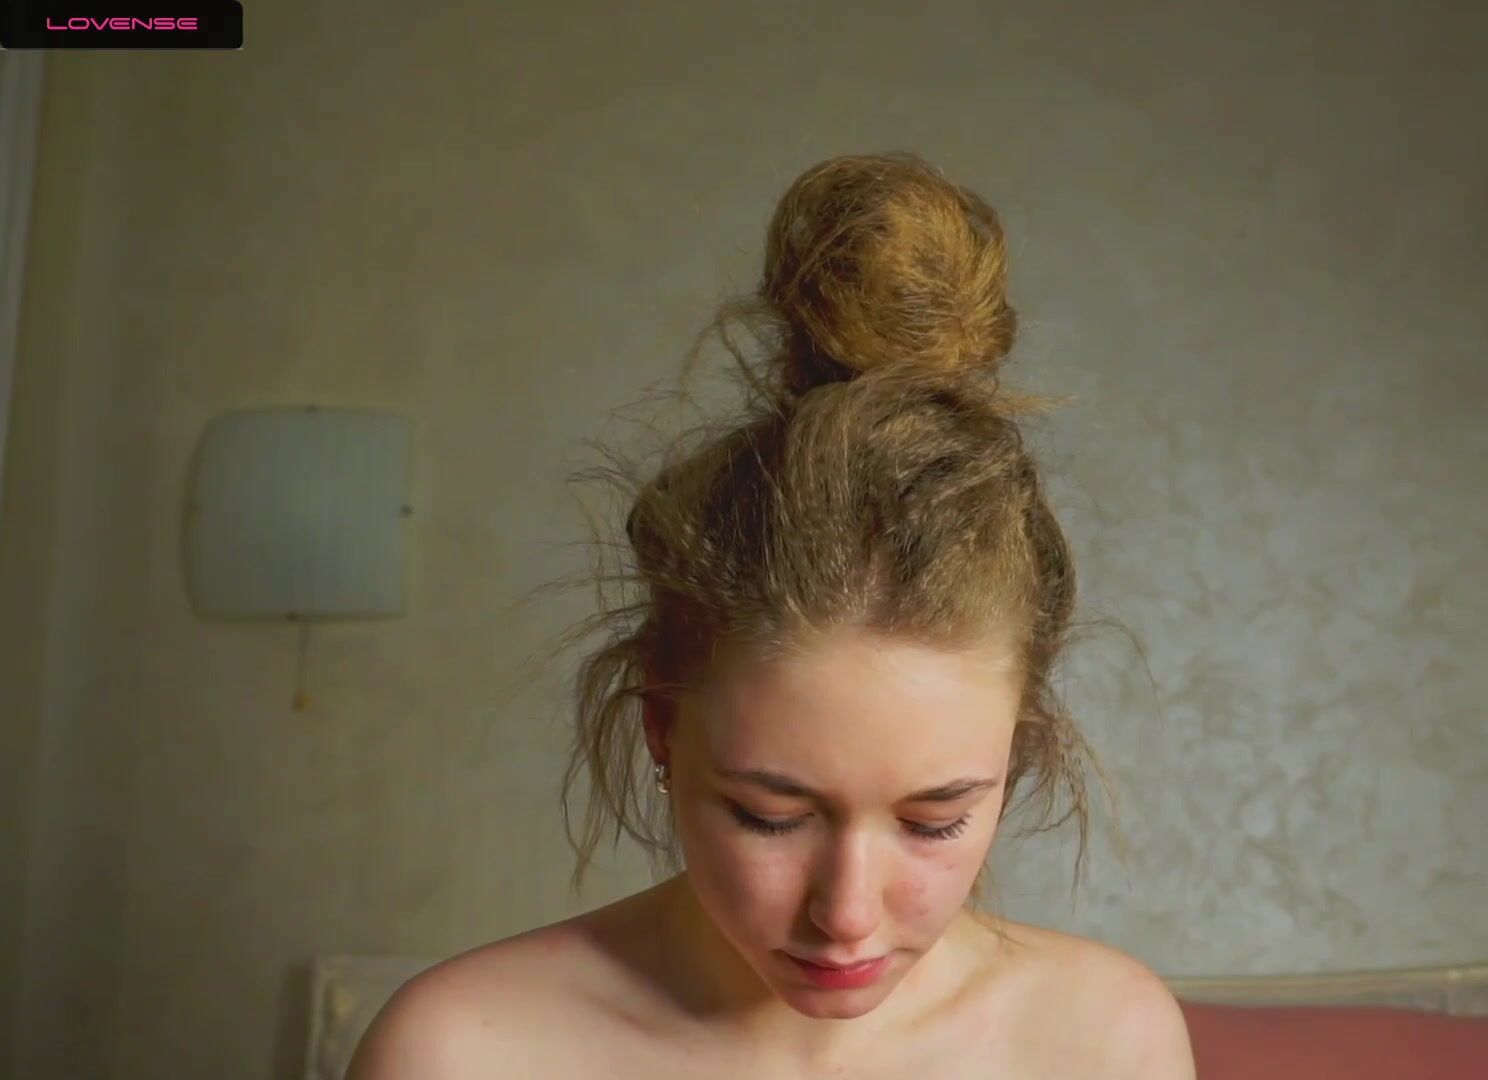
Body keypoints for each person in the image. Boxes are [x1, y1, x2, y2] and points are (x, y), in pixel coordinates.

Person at [346, 152, 1196, 1079]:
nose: (846, 915)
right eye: (768, 817)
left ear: (1017, 756)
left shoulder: (1103, 1041)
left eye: (934, 823)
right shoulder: (460, 1050)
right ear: (661, 725)